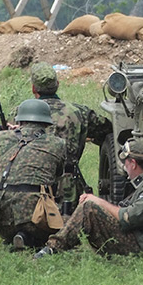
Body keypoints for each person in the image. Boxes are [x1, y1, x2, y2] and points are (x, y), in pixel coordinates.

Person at [33, 138, 143, 259]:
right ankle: (48, 241)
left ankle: (53, 248)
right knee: (87, 209)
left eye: (125, 162)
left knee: (89, 208)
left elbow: (129, 218)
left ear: (133, 163)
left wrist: (96, 201)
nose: (124, 166)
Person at [0, 99, 66, 248]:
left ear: (19, 120)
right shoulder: (57, 144)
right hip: (37, 218)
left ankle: (12, 235)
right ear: (46, 123)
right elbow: (58, 181)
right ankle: (29, 237)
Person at [28, 62, 112, 209]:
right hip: (68, 192)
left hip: (28, 186)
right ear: (58, 85)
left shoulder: (19, 114)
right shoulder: (79, 112)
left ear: (34, 88)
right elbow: (108, 129)